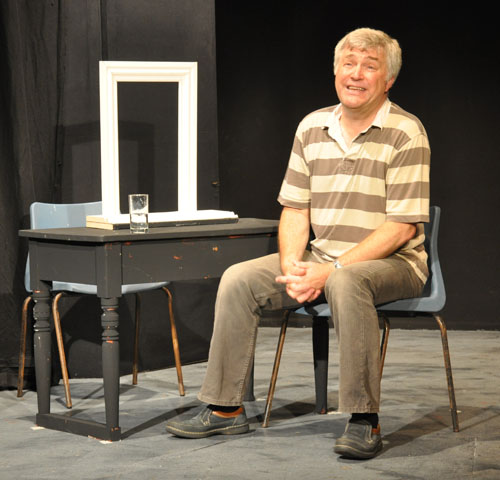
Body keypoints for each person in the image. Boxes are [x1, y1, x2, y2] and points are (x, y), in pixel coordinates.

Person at [165, 27, 430, 460]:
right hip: (320, 258)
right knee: (239, 279)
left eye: (369, 66)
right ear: (335, 71)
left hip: (394, 263)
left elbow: (401, 228)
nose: (356, 74)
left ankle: (364, 418)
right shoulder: (312, 126)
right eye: (348, 64)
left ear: (388, 81)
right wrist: (292, 267)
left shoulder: (406, 132)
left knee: (346, 281)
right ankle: (226, 408)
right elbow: (295, 208)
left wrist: (332, 270)